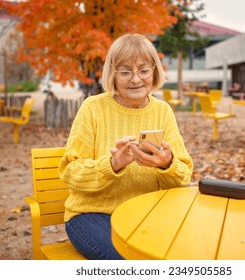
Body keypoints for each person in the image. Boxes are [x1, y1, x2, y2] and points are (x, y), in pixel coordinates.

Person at [58, 33, 193, 260]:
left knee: (187, 254)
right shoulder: (93, 108)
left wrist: (166, 164)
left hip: (147, 213)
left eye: (143, 70)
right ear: (113, 74)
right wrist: (112, 164)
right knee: (129, 262)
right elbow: (70, 173)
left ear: (154, 71)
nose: (135, 79)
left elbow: (183, 178)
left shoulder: (162, 111)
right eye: (125, 71)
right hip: (93, 214)